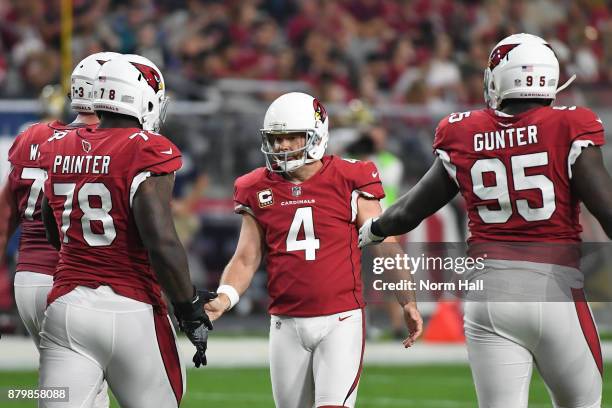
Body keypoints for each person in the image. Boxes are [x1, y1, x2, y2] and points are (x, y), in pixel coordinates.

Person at [359, 33, 606, 408]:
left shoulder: (463, 131)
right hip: (557, 291)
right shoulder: (571, 124)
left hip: (490, 296)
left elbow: (408, 213)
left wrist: (371, 228)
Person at [205, 92, 423, 408]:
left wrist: (407, 300)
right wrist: (224, 297)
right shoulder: (256, 186)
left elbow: (385, 243)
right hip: (284, 322)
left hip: (341, 320)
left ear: (316, 135)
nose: (281, 146)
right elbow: (247, 256)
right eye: (276, 138)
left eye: (292, 137)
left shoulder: (350, 177)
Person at [36, 54, 215, 408]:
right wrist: (188, 307)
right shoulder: (147, 148)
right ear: (142, 98)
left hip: (66, 307)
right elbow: (161, 240)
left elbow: (53, 227)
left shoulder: (58, 146)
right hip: (130, 306)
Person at [0, 51, 119, 407]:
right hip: (75, 280)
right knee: (85, 387)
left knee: (63, 384)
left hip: (27, 279)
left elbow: (6, 211)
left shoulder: (33, 137)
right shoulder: (107, 144)